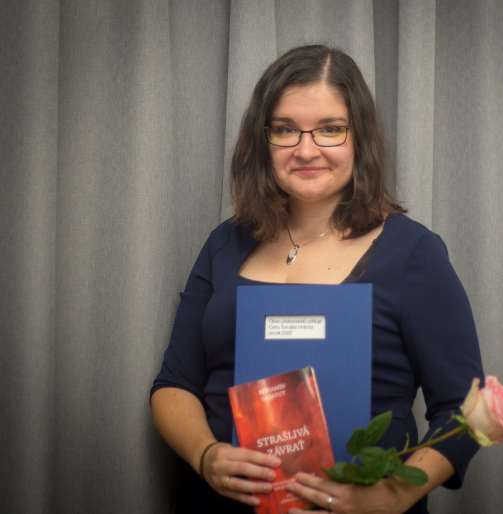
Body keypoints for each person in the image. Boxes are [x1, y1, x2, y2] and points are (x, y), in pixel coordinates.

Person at [151, 45, 484, 514]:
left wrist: (394, 496)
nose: (306, 150)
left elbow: (469, 410)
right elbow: (174, 385)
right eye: (286, 130)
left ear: (359, 138)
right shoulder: (224, 244)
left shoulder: (414, 254)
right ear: (262, 140)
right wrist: (206, 457)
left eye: (330, 129)